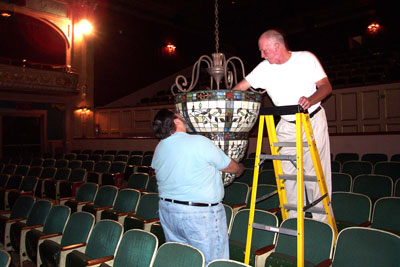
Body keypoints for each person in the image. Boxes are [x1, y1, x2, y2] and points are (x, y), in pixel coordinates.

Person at [233, 29, 332, 222]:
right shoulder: (264, 68)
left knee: (315, 173)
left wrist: (310, 100)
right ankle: (293, 219)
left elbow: (326, 86)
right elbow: (239, 89)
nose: (261, 55)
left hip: (312, 120)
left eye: (264, 50)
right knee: (287, 176)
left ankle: (323, 225)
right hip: (286, 125)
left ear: (276, 46)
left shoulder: (305, 58)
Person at [151, 108, 244, 264]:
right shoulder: (198, 141)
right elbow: (230, 167)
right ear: (176, 121)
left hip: (168, 211)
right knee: (212, 261)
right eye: (180, 115)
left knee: (182, 259)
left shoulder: (159, 147)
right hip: (199, 214)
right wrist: (241, 168)